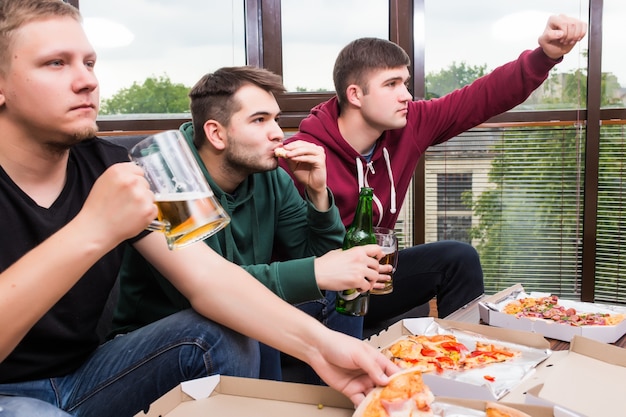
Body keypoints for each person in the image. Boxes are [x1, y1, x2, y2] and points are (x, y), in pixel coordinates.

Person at [0, 1, 398, 416]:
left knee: (221, 327)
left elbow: (209, 278)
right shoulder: (126, 181)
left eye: (89, 63)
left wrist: (325, 349)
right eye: (55, 64)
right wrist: (92, 229)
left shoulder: (111, 166)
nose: (86, 81)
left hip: (88, 374)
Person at [280, 15, 587, 332]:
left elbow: (482, 97)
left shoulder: (410, 124)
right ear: (355, 95)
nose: (406, 96)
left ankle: (460, 360)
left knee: (458, 257)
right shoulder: (303, 155)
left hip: (373, 279)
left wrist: (545, 55)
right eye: (391, 85)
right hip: (322, 293)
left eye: (405, 83)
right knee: (347, 287)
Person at [110, 65, 391, 383]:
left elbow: (323, 258)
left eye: (276, 119)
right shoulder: (167, 176)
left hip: (232, 313)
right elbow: (209, 290)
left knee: (343, 288)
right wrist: (318, 271)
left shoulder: (270, 175)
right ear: (216, 133)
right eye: (259, 120)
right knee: (249, 317)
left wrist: (317, 193)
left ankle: (332, 400)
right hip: (167, 336)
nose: (277, 133)